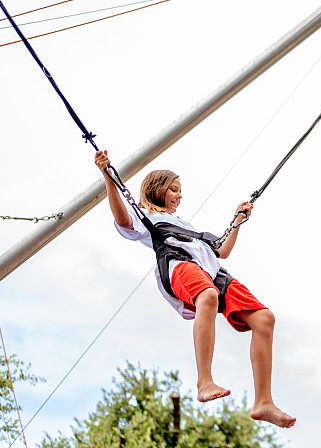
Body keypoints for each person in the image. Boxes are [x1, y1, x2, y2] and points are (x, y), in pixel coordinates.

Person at [95, 150, 295, 429]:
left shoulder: (188, 227)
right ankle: (204, 380)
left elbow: (222, 251)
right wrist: (108, 177)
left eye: (180, 191)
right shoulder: (146, 217)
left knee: (264, 319)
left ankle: (263, 402)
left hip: (212, 272)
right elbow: (123, 219)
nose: (179, 195)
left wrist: (237, 221)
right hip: (178, 265)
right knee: (208, 296)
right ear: (157, 189)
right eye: (174, 189)